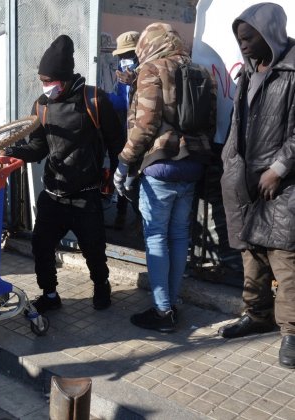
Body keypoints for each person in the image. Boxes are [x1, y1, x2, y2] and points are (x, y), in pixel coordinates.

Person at [1, 35, 123, 313]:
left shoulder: (94, 99)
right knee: (41, 246)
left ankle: (101, 286)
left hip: (86, 194)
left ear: (65, 78)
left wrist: (116, 179)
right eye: (42, 80)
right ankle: (50, 294)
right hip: (53, 194)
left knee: (94, 250)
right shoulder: (41, 105)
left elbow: (117, 144)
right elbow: (38, 147)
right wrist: (14, 154)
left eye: (50, 80)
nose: (46, 86)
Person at [114, 23, 215, 333]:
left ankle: (162, 312)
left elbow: (144, 125)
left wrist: (123, 163)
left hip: (160, 165)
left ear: (150, 43)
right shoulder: (201, 72)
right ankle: (172, 301)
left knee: (156, 236)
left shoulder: (153, 69)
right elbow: (211, 122)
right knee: (179, 236)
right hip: (193, 165)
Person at [218, 2, 295, 369]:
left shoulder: (293, 71)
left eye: (249, 38)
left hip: (282, 183)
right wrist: (229, 161)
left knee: (285, 258)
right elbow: (238, 125)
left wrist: (279, 168)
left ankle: (291, 332)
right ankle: (256, 315)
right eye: (239, 39)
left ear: (270, 34)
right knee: (252, 254)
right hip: (243, 181)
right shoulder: (247, 74)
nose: (243, 45)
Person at [108, 31, 141, 230]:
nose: (123, 59)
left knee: (137, 176)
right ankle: (121, 215)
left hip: (141, 131)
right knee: (120, 170)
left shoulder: (147, 71)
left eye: (127, 54)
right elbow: (121, 101)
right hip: (125, 129)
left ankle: (138, 218)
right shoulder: (123, 70)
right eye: (121, 56)